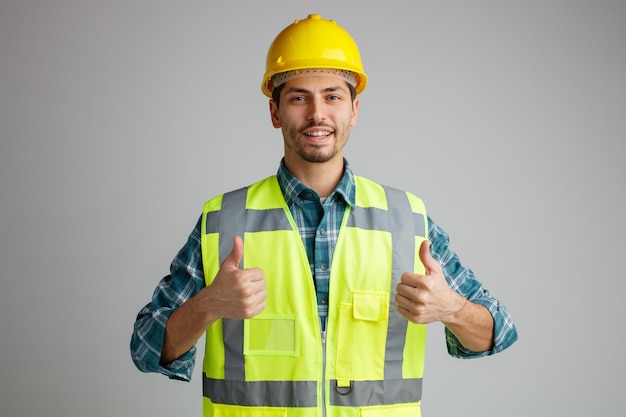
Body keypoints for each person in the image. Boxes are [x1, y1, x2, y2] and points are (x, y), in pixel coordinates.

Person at [131, 13, 518, 417]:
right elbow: (145, 347)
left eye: (332, 96)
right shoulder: (223, 219)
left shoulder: (407, 219)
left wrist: (451, 308)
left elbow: (498, 331)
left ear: (354, 109)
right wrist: (207, 304)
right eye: (299, 97)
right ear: (275, 112)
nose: (318, 113)